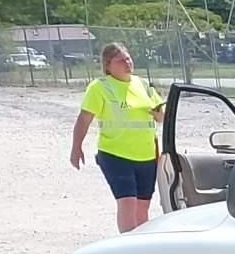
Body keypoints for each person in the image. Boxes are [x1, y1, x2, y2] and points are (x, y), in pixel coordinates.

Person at [70, 44, 166, 233]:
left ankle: (141, 244)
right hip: (115, 154)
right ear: (108, 65)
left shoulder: (143, 85)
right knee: (127, 202)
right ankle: (127, 246)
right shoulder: (100, 87)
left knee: (142, 207)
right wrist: (76, 147)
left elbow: (162, 116)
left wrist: (158, 113)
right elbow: (84, 119)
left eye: (128, 58)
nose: (127, 63)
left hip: (146, 155)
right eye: (121, 60)